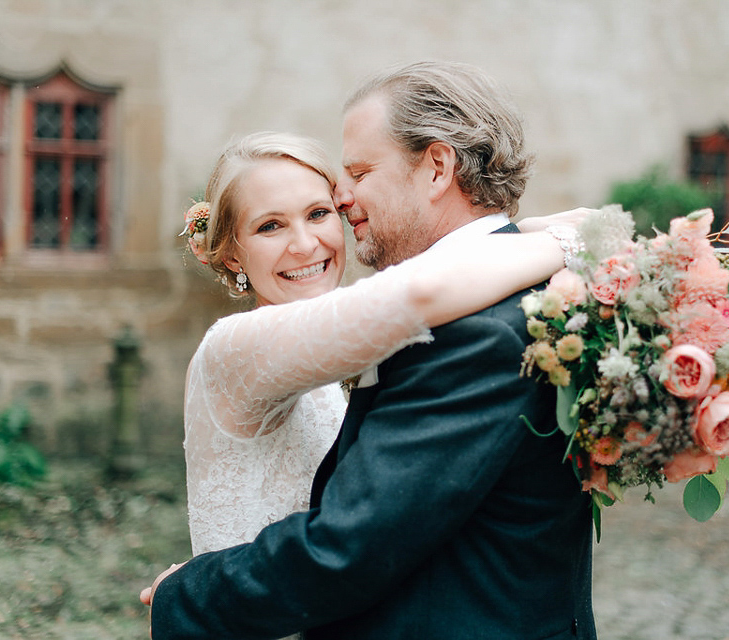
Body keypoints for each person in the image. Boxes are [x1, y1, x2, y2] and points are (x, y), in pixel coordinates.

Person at [144, 61, 599, 640]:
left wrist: (185, 597)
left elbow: (357, 542)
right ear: (230, 253)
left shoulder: (469, 327)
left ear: (437, 168)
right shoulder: (249, 344)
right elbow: (415, 293)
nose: (316, 232)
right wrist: (568, 238)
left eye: (325, 206)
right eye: (269, 227)